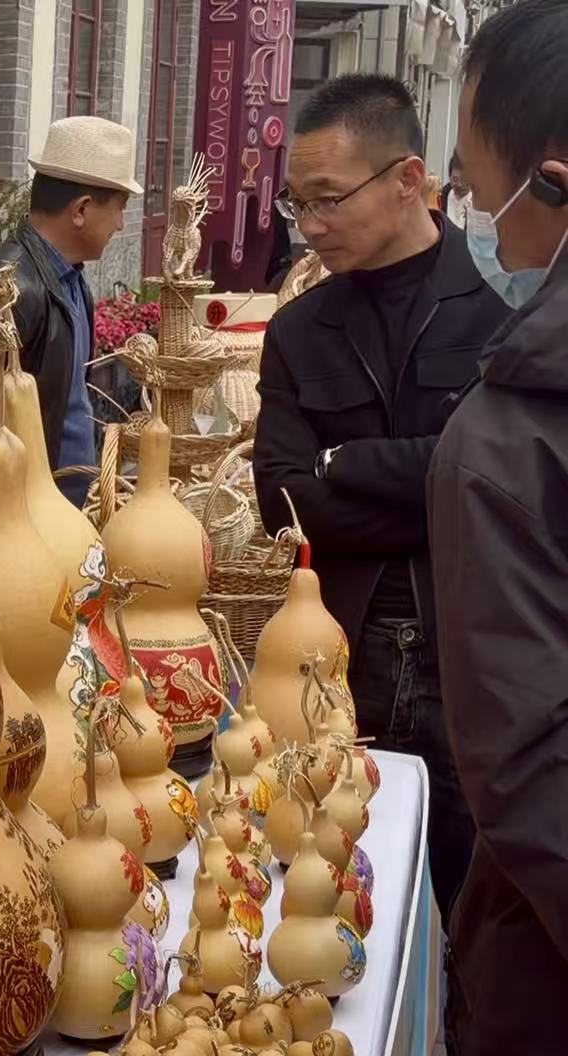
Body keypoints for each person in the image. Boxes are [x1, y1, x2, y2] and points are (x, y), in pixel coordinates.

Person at [252, 73, 511, 932]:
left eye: (328, 199)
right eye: (297, 204)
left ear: (407, 180)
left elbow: (511, 484)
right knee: (330, 894)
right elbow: (284, 504)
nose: (311, 224)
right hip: (338, 658)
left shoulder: (502, 310)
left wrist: (349, 464)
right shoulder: (300, 329)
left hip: (475, 656)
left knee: (478, 903)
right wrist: (442, 490)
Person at [427, 3, 568, 1051]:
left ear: (552, 185)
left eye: (480, 191)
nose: (482, 222)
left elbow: (530, 777)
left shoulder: (508, 443)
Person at [0, 115, 140, 554]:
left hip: (58, 527)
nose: (121, 224)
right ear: (81, 209)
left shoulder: (71, 281)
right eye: (119, 207)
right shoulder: (11, 294)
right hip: (14, 541)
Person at [441, 151, 473, 228]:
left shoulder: (479, 202)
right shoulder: (442, 196)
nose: (459, 184)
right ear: (449, 177)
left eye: (463, 179)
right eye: (455, 180)